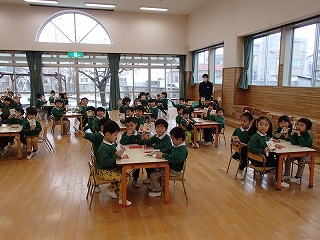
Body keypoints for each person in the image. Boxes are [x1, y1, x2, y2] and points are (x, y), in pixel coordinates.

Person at [96, 120, 131, 206]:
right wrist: (115, 155)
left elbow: (115, 147)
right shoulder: (103, 148)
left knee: (127, 176)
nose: (116, 137)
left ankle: (112, 189)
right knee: (124, 177)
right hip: (104, 171)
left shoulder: (111, 142)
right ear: (107, 134)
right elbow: (104, 163)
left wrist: (120, 148)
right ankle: (120, 198)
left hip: (110, 169)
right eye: (115, 135)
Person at [247, 116, 289, 188]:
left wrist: (272, 141)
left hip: (261, 158)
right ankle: (279, 180)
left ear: (269, 127)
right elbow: (250, 148)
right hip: (258, 160)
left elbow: (268, 140)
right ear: (256, 125)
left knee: (276, 157)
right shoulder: (255, 136)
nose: (263, 127)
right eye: (261, 124)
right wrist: (262, 150)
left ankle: (273, 173)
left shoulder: (265, 135)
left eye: (266, 125)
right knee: (279, 162)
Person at [148, 127, 188, 197]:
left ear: (180, 139)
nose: (172, 141)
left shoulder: (182, 149)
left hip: (174, 170)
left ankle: (157, 190)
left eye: (173, 139)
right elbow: (169, 149)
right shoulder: (177, 145)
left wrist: (163, 155)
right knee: (156, 171)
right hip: (171, 167)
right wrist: (161, 151)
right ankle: (161, 186)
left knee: (153, 175)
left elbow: (175, 158)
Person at [139, 119, 172, 184]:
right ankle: (150, 178)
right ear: (155, 128)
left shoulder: (167, 137)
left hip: (164, 158)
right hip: (157, 155)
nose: (159, 129)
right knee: (147, 162)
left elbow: (162, 146)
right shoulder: (156, 136)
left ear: (166, 129)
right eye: (157, 127)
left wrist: (154, 145)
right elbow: (148, 142)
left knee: (150, 163)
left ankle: (154, 181)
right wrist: (143, 140)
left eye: (162, 127)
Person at [283, 118, 313, 184]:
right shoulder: (296, 133)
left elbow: (303, 144)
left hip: (307, 155)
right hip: (297, 153)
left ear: (306, 128)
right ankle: (287, 174)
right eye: (298, 125)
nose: (299, 127)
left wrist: (299, 135)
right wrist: (292, 135)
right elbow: (293, 143)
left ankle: (298, 176)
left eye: (302, 125)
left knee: (302, 160)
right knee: (289, 159)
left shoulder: (308, 136)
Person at [119, 117, 142, 187]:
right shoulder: (124, 134)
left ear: (136, 125)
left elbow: (141, 143)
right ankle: (122, 178)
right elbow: (122, 142)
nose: (130, 128)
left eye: (132, 125)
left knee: (137, 163)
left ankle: (135, 179)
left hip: (137, 153)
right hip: (127, 153)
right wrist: (127, 136)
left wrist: (143, 139)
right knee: (122, 163)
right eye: (127, 126)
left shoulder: (139, 134)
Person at [231, 111, 254, 180]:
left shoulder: (251, 132)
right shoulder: (237, 130)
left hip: (249, 150)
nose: (242, 123)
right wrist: (234, 143)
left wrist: (246, 145)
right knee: (245, 159)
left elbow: (252, 142)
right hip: (240, 151)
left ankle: (257, 171)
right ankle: (240, 170)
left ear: (250, 122)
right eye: (241, 121)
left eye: (245, 121)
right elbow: (232, 139)